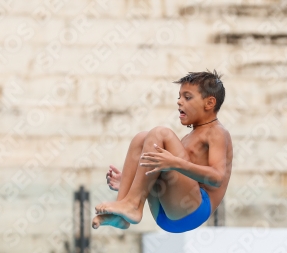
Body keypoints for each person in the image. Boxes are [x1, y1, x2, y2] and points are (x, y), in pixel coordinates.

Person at [92, 70, 233, 233]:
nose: (180, 102)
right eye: (179, 97)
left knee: (160, 133)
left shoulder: (217, 132)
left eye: (187, 98)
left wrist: (176, 163)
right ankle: (123, 212)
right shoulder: (188, 137)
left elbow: (216, 178)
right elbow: (170, 175)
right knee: (142, 138)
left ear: (209, 103)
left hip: (194, 210)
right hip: (167, 213)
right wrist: (129, 180)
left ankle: (132, 204)